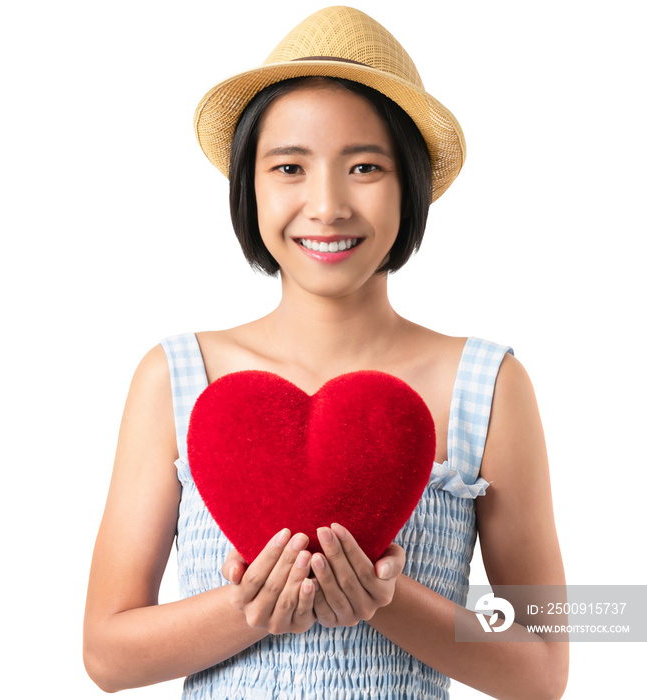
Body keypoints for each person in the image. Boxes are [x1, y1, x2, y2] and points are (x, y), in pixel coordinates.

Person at [84, 6, 568, 699]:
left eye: (365, 166)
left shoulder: (490, 382)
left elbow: (548, 663)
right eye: (289, 167)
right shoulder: (174, 377)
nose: (327, 205)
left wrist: (385, 599)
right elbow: (105, 652)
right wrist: (249, 607)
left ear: (412, 185)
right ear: (249, 187)